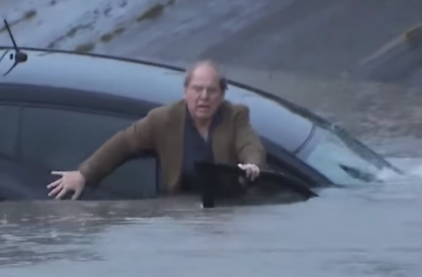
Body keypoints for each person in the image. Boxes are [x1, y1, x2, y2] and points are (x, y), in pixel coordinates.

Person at [47, 60, 267, 200]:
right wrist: (85, 174)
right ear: (185, 91)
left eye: (211, 91)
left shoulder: (234, 115)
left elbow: (249, 143)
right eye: (197, 89)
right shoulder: (164, 120)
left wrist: (252, 165)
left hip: (226, 214)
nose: (204, 97)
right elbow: (124, 143)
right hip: (179, 214)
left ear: (222, 95)